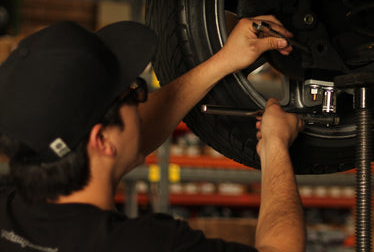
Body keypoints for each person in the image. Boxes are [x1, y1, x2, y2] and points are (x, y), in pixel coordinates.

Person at [0, 15, 306, 252]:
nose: (142, 101)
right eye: (134, 93)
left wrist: (223, 61)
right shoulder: (148, 244)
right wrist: (275, 146)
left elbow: (129, 133)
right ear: (102, 141)